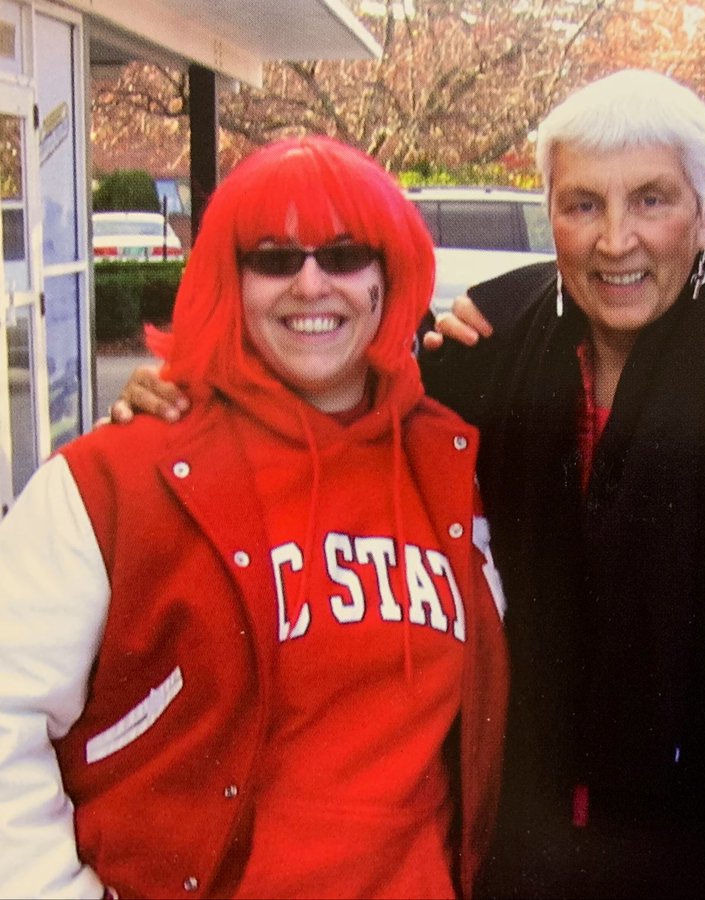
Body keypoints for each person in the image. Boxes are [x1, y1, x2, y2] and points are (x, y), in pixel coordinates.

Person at [112, 70, 705, 898]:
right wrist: (196, 394)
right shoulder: (488, 340)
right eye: (582, 205)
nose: (615, 240)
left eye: (651, 201)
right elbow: (344, 411)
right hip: (517, 847)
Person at [0, 136, 508, 899]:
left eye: (343, 255)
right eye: (273, 258)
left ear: (387, 275)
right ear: (229, 282)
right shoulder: (115, 480)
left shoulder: (451, 460)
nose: (311, 284)